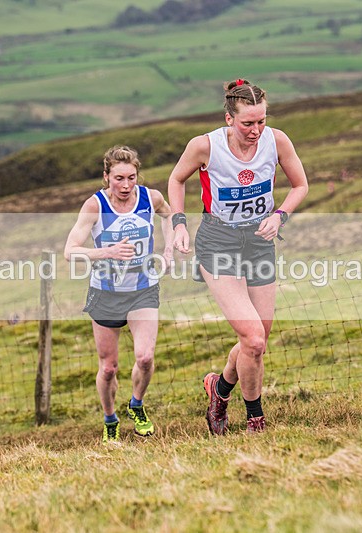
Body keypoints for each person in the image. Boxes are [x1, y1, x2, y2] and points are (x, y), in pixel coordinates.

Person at [167, 79, 309, 434]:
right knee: (254, 338)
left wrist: (279, 217)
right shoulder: (205, 146)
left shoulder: (276, 141)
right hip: (218, 243)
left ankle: (219, 389)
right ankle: (255, 419)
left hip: (259, 242)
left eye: (261, 121)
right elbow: (176, 179)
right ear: (229, 118)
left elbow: (300, 185)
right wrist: (179, 225)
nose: (256, 130)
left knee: (256, 341)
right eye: (248, 123)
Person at [64, 145, 173, 443]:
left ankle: (136, 405)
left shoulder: (151, 198)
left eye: (131, 178)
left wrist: (169, 251)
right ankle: (110, 419)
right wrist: (107, 252)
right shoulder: (95, 206)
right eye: (118, 179)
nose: (125, 186)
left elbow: (169, 215)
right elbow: (69, 251)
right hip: (106, 294)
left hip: (143, 289)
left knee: (146, 357)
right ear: (106, 177)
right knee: (109, 368)